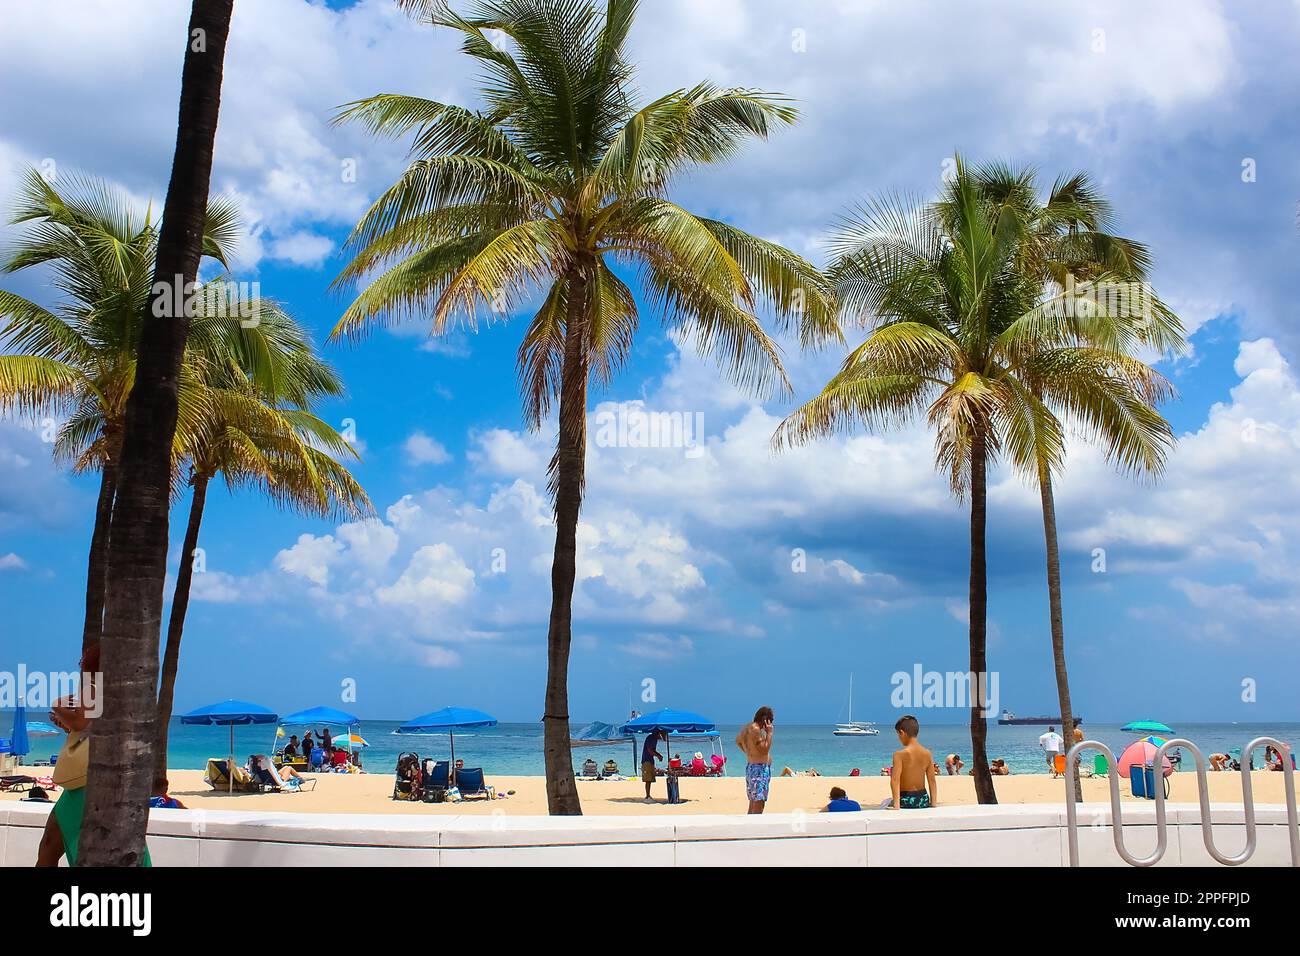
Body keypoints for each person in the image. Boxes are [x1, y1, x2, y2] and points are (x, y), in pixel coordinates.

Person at [887, 714, 937, 809]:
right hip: (923, 799)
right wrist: (933, 803)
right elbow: (932, 781)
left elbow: (895, 780)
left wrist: (896, 805)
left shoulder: (899, 754)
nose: (899, 738)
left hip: (905, 799)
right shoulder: (927, 753)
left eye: (898, 734)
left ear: (902, 733)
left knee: (885, 803)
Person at [735, 706, 774, 814]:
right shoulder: (756, 729)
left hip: (752, 768)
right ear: (766, 720)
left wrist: (750, 754)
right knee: (759, 803)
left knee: (753, 802)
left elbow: (738, 741)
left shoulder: (747, 728)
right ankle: (755, 830)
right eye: (771, 721)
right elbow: (764, 750)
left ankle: (748, 828)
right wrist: (769, 733)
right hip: (759, 770)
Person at [640, 729, 666, 803]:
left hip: (650, 760)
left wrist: (659, 755)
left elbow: (653, 750)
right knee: (648, 779)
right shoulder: (651, 738)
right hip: (646, 760)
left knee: (650, 779)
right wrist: (658, 756)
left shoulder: (654, 739)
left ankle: (648, 795)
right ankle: (647, 796)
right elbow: (650, 750)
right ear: (658, 734)